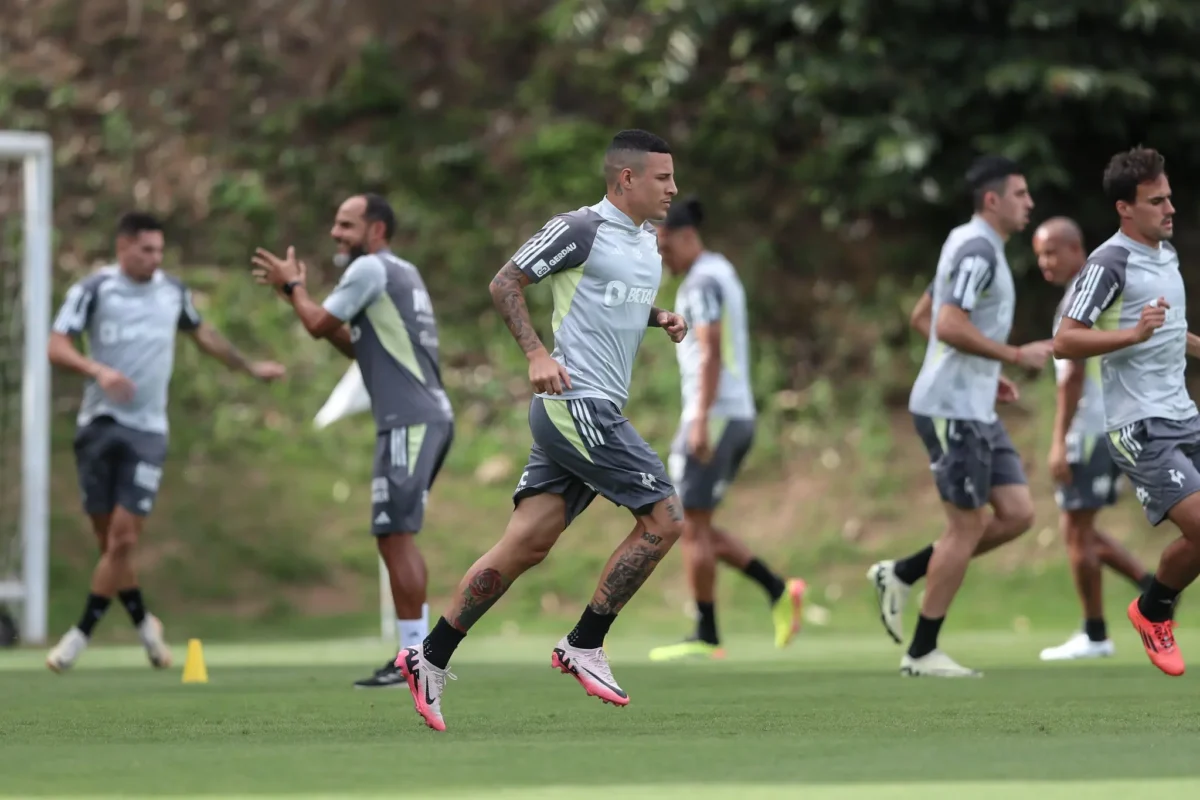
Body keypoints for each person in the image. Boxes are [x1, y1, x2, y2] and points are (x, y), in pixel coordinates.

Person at [393, 129, 688, 732]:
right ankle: (585, 641)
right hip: (577, 404)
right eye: (663, 177)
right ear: (626, 179)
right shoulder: (581, 228)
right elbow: (506, 282)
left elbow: (613, 299)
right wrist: (535, 355)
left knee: (527, 543)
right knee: (665, 518)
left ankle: (429, 656)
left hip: (586, 410)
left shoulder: (648, 240)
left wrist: (659, 317)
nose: (674, 189)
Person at [46, 212, 286, 672]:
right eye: (146, 250)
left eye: (160, 250)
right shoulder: (94, 290)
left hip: (147, 432)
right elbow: (56, 345)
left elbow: (204, 336)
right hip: (97, 426)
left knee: (122, 540)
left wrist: (251, 368)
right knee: (110, 547)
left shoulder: (172, 292)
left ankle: (78, 637)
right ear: (123, 248)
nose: (156, 259)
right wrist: (98, 370)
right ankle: (145, 627)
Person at [251, 193, 454, 689]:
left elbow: (320, 324)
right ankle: (414, 654)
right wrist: (294, 296)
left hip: (411, 420)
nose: (336, 233)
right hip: (417, 417)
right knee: (390, 535)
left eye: (347, 225)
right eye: (335, 224)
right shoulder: (401, 272)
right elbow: (356, 346)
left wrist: (294, 287)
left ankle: (417, 657)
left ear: (377, 230)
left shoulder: (370, 270)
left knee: (397, 533)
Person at [866, 156, 1052, 677]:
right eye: (1020, 193)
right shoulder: (977, 251)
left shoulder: (967, 241)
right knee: (965, 527)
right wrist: (1012, 356)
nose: (1029, 203)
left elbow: (923, 316)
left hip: (973, 405)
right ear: (992, 200)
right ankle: (922, 652)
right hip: (951, 410)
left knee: (1017, 514)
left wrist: (985, 373)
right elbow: (946, 324)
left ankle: (901, 572)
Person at [1054, 146, 1200, 678]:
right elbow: (1065, 340)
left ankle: (1153, 607)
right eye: (1156, 201)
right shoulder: (1107, 262)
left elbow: (1170, 334)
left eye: (1169, 198)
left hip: (1185, 416)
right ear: (1125, 208)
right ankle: (1154, 610)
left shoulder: (1166, 255)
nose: (1169, 209)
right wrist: (1131, 333)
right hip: (1139, 427)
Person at [648, 196, 804, 662]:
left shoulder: (702, 282)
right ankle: (777, 590)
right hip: (729, 413)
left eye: (662, 245)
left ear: (684, 236)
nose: (661, 256)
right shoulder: (720, 271)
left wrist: (698, 419)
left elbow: (711, 351)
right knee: (694, 524)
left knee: (685, 525)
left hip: (714, 415)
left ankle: (707, 633)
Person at [1034, 217, 1155, 660]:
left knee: (1076, 533)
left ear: (1074, 248)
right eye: (1039, 256)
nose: (1044, 264)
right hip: (1109, 425)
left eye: (1050, 252)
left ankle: (1096, 634)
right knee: (1081, 531)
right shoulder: (1097, 290)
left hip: (1088, 431)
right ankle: (1150, 588)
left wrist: (1057, 440)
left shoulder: (1077, 301)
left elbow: (1071, 379)